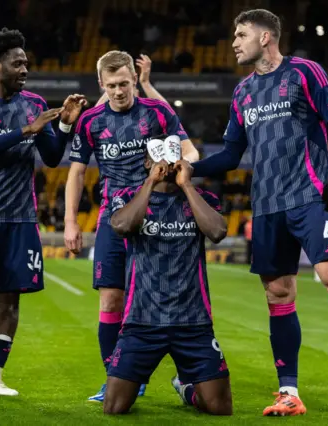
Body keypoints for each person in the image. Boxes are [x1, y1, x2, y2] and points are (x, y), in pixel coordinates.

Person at [191, 9, 328, 416]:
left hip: (309, 196)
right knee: (278, 294)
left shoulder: (303, 72)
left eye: (241, 34)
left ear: (265, 38)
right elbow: (231, 155)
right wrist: (190, 170)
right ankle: (289, 393)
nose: (234, 42)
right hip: (266, 207)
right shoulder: (242, 93)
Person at [0, 27, 87, 396]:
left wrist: (63, 124)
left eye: (26, 63)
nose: (25, 69)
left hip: (21, 217)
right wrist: (28, 129)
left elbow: (53, 157)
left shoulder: (34, 103)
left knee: (10, 296)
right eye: (18, 63)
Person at [64, 50, 199, 402]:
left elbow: (192, 152)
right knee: (110, 301)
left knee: (166, 302)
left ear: (134, 80)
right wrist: (70, 222)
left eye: (125, 83)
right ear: (100, 84)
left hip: (158, 219)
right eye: (111, 85)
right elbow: (76, 172)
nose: (119, 91)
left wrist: (176, 165)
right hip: (113, 218)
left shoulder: (157, 112)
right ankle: (117, 379)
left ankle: (187, 377)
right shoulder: (91, 121)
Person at [104, 139, 232, 416]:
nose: (168, 166)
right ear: (148, 163)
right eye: (159, 160)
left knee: (219, 407)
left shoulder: (204, 198)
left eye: (175, 161)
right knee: (114, 407)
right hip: (142, 321)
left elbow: (217, 232)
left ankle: (186, 389)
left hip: (193, 322)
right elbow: (123, 226)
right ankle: (182, 382)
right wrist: (149, 184)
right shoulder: (127, 196)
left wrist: (187, 185)